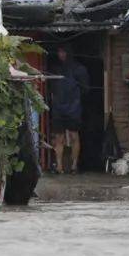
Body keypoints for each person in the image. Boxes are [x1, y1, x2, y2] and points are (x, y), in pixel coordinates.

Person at [48, 45, 89, 174]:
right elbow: (51, 88)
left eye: (63, 52)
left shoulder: (79, 69)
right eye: (59, 52)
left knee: (74, 136)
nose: (61, 54)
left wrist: (75, 99)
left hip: (73, 107)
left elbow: (85, 89)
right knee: (58, 137)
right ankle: (59, 166)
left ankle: (74, 166)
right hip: (58, 108)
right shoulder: (55, 69)